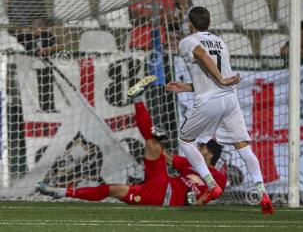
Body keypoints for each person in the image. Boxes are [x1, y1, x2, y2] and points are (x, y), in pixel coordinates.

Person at [37, 75, 227, 206]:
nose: (199, 148)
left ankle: (61, 192)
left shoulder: (218, 177)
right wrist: (159, 145)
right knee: (152, 143)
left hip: (162, 197)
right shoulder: (192, 163)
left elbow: (208, 197)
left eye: (202, 147)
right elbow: (169, 159)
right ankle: (138, 99)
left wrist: (196, 201)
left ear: (210, 154)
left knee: (113, 189)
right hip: (162, 181)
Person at [165, 7, 274, 214]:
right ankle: (262, 191)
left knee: (185, 141)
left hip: (210, 101)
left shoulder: (187, 41)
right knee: (243, 147)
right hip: (230, 99)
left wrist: (221, 79)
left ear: (190, 23)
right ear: (210, 22)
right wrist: (186, 86)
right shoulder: (220, 42)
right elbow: (210, 73)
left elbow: (201, 55)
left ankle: (211, 184)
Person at [17, 18, 63, 112]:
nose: (37, 28)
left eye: (40, 25)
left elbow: (60, 46)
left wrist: (47, 49)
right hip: (27, 68)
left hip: (44, 65)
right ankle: (31, 109)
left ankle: (48, 108)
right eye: (35, 26)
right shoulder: (25, 36)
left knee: (46, 85)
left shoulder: (46, 35)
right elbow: (12, 33)